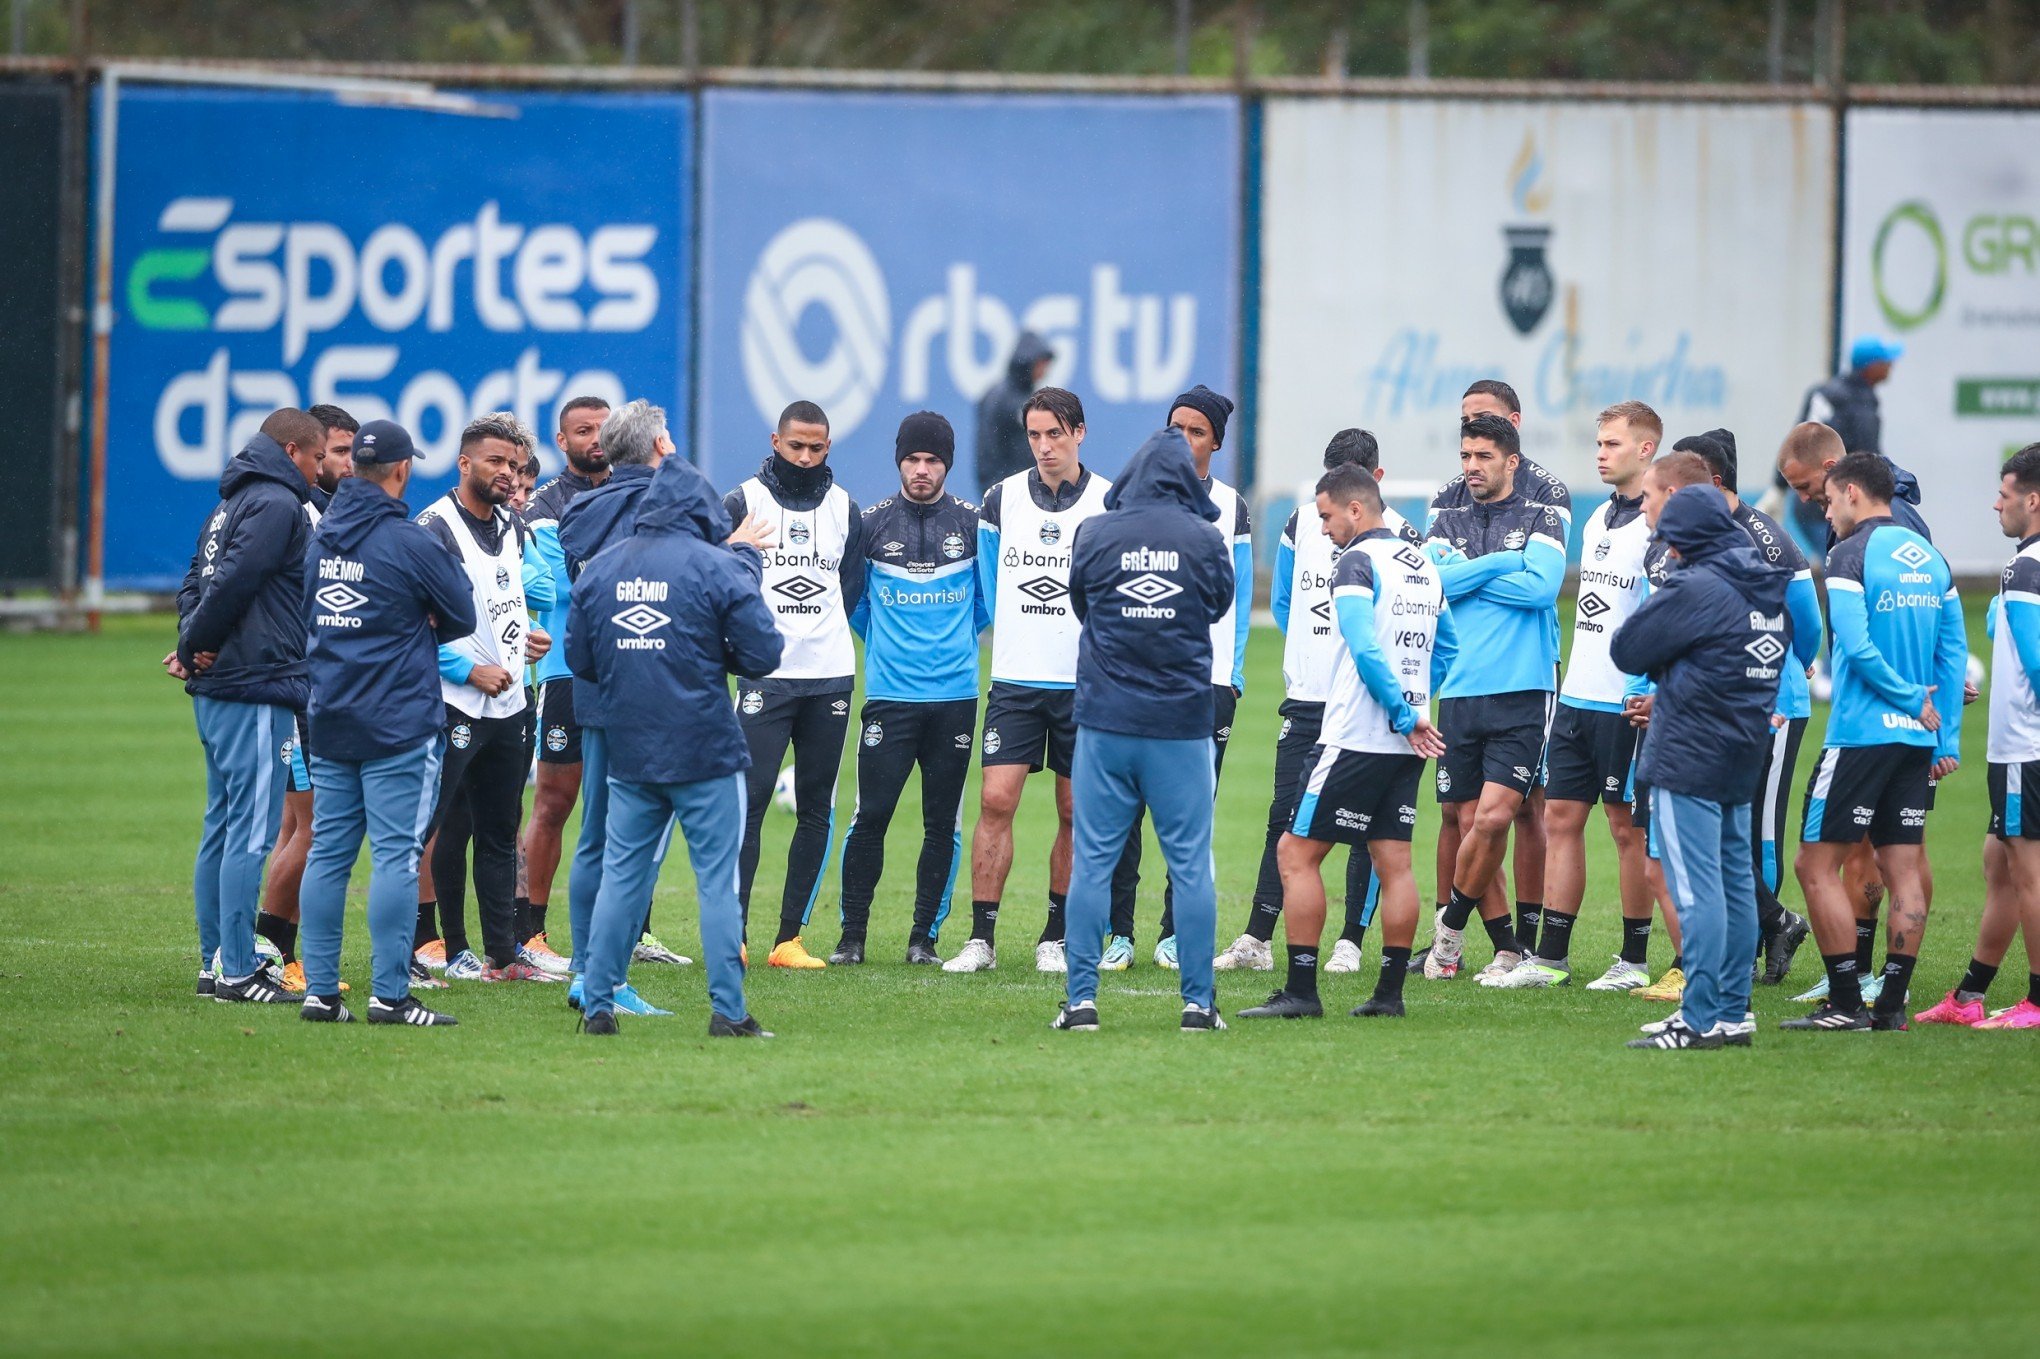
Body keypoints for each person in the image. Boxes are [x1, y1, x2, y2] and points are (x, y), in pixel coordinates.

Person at [567, 456, 784, 1037]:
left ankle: (597, 1005)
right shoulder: (718, 565)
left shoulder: (602, 567)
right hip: (707, 750)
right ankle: (728, 1012)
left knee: (622, 877)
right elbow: (765, 654)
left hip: (630, 749)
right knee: (717, 882)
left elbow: (579, 660)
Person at [1238, 462, 1452, 1020]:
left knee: (1295, 852)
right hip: (1406, 745)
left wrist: (1403, 715)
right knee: (1394, 863)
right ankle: (1388, 996)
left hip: (1356, 736)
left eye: (1329, 516)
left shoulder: (1356, 561)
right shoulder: (1422, 563)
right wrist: (1417, 707)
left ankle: (1302, 992)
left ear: (1356, 509)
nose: (1326, 528)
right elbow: (1448, 648)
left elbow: (1362, 646)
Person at [1218, 428, 1421, 974]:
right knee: (1285, 818)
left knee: (1374, 837)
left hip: (1367, 708)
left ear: (1373, 483)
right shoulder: (1304, 522)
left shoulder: (1404, 539)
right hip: (1308, 700)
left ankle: (1350, 941)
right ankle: (1257, 938)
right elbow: (1284, 602)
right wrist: (1313, 661)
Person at [295, 420, 477, 1027]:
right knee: (397, 857)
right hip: (398, 722)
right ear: (402, 470)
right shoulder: (410, 541)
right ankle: (390, 996)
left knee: (328, 856)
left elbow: (309, 615)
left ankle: (321, 994)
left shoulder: (320, 540)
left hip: (331, 717)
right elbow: (460, 615)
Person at [1053, 427, 1234, 1032]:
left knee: (1093, 864)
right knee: (1190, 866)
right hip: (1181, 725)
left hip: (1106, 724)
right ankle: (1198, 1005)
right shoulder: (1206, 538)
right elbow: (1216, 606)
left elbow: (1083, 604)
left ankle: (1080, 1002)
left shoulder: (1094, 533)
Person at [559, 400, 736, 1016]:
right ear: (660, 446)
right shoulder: (663, 508)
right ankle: (604, 979)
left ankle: (585, 972)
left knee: (593, 839)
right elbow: (702, 578)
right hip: (658, 697)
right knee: (635, 849)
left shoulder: (579, 508)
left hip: (598, 686)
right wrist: (740, 548)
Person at [1785, 453, 1965, 1033]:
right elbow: (1952, 654)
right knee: (1903, 867)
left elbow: (1857, 650)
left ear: (1854, 493)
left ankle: (1843, 1003)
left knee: (1814, 865)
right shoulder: (1932, 559)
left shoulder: (1849, 554)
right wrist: (1942, 737)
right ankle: (1890, 1007)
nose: (1827, 513)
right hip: (1917, 742)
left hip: (1862, 735)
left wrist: (1909, 698)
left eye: (1830, 501)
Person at [1610, 484, 1791, 1049]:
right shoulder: (1765, 582)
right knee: (1737, 882)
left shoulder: (1693, 585)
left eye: (1669, 536)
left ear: (1686, 537)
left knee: (1696, 889)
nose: (1666, 547)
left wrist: (1671, 656)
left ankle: (1699, 1017)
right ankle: (1734, 1014)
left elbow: (1627, 649)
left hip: (1689, 750)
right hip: (1743, 748)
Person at [945, 387, 1113, 975]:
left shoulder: (1109, 503)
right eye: (1035, 435)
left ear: (1080, 433)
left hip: (1083, 685)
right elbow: (989, 588)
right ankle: (981, 939)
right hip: (1015, 680)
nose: (1044, 447)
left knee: (1074, 809)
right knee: (996, 800)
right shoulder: (1001, 499)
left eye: (1055, 435)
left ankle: (1057, 934)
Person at [1494, 401, 1660, 990]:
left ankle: (1634, 961)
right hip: (1577, 697)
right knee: (1561, 817)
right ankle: (1552, 958)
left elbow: (1662, 620)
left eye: (1613, 444)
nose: (1601, 453)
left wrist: (1648, 692)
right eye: (1599, 443)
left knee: (1626, 829)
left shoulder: (1659, 525)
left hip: (1624, 703)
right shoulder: (1595, 521)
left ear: (1646, 449)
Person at [172, 407, 323, 1004]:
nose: (316, 472)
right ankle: (237, 968)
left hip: (222, 687)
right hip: (258, 685)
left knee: (221, 828)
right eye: (314, 459)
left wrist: (192, 639)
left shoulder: (226, 505)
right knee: (252, 834)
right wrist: (195, 642)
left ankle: (216, 963)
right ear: (292, 451)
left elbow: (195, 581)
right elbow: (236, 580)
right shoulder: (278, 504)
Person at [1109, 385, 1253, 970]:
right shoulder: (1132, 499)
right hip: (1136, 678)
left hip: (1206, 682)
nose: (1186, 439)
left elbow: (1238, 596)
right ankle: (1119, 933)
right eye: (1177, 427)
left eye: (1197, 431)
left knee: (1187, 812)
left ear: (1215, 442)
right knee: (1123, 810)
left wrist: (1234, 673)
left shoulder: (1232, 507)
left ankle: (1172, 934)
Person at [835, 412, 986, 965]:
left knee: (941, 822)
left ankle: (923, 938)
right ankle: (852, 938)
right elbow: (853, 603)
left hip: (955, 699)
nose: (922, 470)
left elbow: (986, 601)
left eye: (932, 461)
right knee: (870, 815)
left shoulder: (972, 524)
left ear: (947, 463)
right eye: (913, 459)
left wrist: (953, 642)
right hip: (890, 698)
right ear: (899, 460)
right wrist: (886, 644)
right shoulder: (872, 525)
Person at [1672, 431, 1822, 984]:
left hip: (1772, 703)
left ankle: (1764, 937)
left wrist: (1785, 666)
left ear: (1712, 483)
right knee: (1720, 828)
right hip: (1718, 702)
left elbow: (1807, 626)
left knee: (1758, 828)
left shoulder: (1771, 540)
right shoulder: (1703, 531)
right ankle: (1761, 928)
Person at [1426, 379, 1570, 956]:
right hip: (1458, 685)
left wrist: (1474, 572)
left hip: (1524, 684)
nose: (1472, 466)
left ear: (1512, 453)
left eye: (1483, 455)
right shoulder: (1447, 505)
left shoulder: (1545, 505)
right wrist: (1504, 562)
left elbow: (1540, 589)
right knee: (1465, 820)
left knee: (1505, 815)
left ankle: (1471, 934)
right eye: (1465, 454)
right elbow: (1432, 582)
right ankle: (1505, 946)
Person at [723, 400, 865, 970]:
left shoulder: (844, 509)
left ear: (828, 448)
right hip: (766, 677)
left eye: (816, 448)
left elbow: (849, 587)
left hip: (830, 677)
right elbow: (722, 581)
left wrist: (821, 639)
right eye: (796, 446)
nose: (805, 457)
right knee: (748, 805)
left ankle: (789, 940)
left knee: (816, 807)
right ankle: (732, 934)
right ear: (775, 441)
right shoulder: (743, 502)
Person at [414, 414, 552, 984]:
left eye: (515, 466)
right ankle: (437, 949)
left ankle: (502, 953)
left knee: (499, 829)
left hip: (511, 703)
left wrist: (527, 636)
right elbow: (409, 626)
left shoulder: (514, 528)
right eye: (495, 462)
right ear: (463, 463)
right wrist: (468, 669)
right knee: (436, 826)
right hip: (454, 701)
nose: (507, 474)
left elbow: (512, 598)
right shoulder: (433, 529)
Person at [1916, 445, 2040, 1029]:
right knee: (1999, 864)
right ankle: (1969, 996)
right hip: (2024, 750)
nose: (1996, 504)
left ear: (2032, 500)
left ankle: (2037, 1003)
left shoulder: (2026, 567)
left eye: (2005, 494)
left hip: (2025, 749)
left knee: (2028, 871)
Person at [259, 401, 358, 992]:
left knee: (298, 826)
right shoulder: (296, 511)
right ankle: (272, 953)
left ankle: (276, 953)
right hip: (301, 685)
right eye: (334, 452)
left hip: (309, 684)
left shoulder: (318, 511)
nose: (343, 463)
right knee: (313, 827)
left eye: (348, 451)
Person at [518, 395, 612, 969]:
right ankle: (531, 934)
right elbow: (562, 589)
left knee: (628, 805)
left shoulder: (640, 492)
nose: (595, 438)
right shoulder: (544, 508)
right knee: (554, 803)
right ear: (562, 441)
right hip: (566, 675)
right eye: (583, 430)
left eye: (604, 428)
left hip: (631, 674)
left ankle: (637, 931)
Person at [1773, 335, 1903, 547]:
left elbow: (1796, 442)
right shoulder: (1857, 403)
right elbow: (1870, 459)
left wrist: (1778, 487)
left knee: (1837, 565)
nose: (1891, 366)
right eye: (1886, 362)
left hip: (1809, 505)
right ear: (1871, 367)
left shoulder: (1824, 392)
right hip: (1830, 505)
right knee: (1844, 566)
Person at [974, 330, 1054, 497]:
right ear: (1028, 362)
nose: (1044, 371)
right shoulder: (999, 398)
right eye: (1041, 364)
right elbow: (987, 451)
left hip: (1029, 492)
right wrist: (994, 494)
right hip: (1006, 493)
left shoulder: (1032, 398)